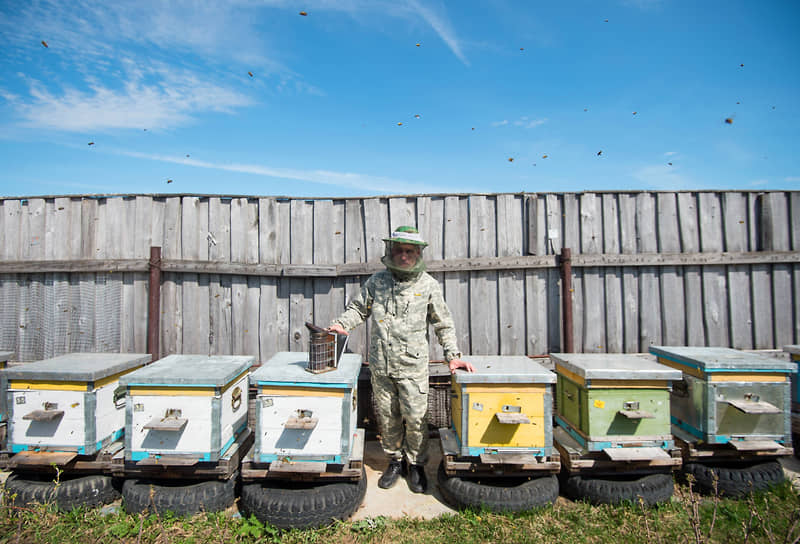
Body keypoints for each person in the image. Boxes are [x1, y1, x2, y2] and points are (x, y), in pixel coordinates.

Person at [328, 226, 474, 493]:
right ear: (390, 252)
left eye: (409, 251)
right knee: (388, 418)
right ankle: (394, 462)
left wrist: (453, 356)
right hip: (382, 367)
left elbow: (444, 324)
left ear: (417, 253)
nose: (404, 255)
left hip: (413, 368)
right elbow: (359, 309)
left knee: (417, 418)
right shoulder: (377, 282)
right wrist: (342, 325)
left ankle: (416, 466)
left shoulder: (429, 285)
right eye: (399, 250)